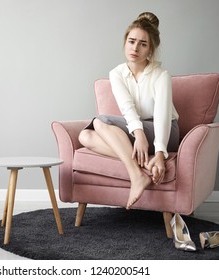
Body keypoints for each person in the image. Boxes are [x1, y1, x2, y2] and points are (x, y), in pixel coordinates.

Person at [78, 12, 179, 209]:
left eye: (143, 44)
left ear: (150, 49)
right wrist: (139, 134)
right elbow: (127, 108)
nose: (135, 48)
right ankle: (140, 165)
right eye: (131, 41)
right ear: (125, 42)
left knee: (99, 122)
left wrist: (159, 154)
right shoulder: (117, 73)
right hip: (139, 130)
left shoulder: (161, 75)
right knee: (85, 136)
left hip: (166, 131)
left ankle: (137, 175)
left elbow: (162, 115)